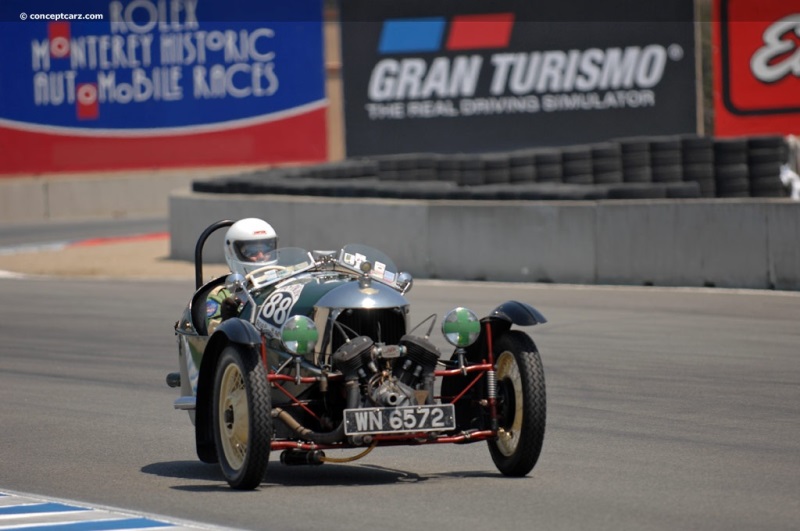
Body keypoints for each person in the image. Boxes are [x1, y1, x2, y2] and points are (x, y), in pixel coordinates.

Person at [206, 218, 278, 333]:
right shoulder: (222, 295)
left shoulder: (284, 283)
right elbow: (213, 336)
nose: (261, 256)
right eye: (251, 251)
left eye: (266, 249)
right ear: (233, 252)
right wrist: (227, 320)